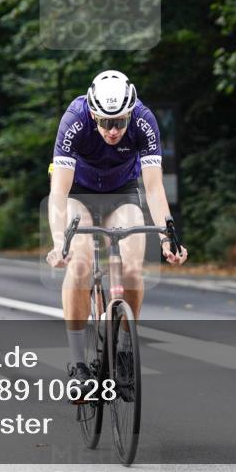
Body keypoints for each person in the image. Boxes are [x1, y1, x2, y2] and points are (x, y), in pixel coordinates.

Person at [46, 70, 188, 401]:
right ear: (93, 114)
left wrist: (169, 237)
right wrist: (58, 243)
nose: (113, 130)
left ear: (130, 112)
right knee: (80, 265)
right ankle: (79, 365)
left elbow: (153, 188)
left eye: (120, 122)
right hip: (78, 193)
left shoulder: (144, 119)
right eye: (106, 122)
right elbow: (58, 191)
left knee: (134, 266)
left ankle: (123, 352)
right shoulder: (75, 119)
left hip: (122, 193)